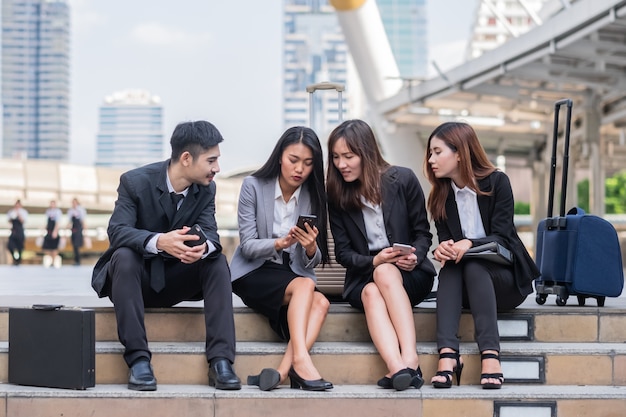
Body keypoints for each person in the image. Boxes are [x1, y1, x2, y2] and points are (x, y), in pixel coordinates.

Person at [91, 120, 241, 392]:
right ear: (186, 158)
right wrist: (159, 241)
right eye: (211, 160)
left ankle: (221, 362)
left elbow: (212, 236)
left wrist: (201, 249)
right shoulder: (134, 182)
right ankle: (138, 361)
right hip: (136, 281)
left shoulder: (207, 189)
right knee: (124, 255)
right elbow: (117, 231)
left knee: (216, 259)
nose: (217, 169)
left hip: (178, 277)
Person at [424, 121, 540, 389]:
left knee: (474, 265)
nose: (431, 160)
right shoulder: (440, 196)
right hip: (465, 287)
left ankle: (490, 355)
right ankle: (448, 355)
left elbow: (503, 236)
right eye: (430, 153)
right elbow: (447, 243)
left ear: (460, 153)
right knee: (452, 267)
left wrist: (470, 243)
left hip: (505, 282)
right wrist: (442, 249)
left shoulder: (497, 182)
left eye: (437, 152)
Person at [326, 119, 436, 391]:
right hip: (363, 277)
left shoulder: (404, 179)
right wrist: (375, 260)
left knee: (385, 273)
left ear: (367, 152)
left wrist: (415, 257)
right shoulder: (337, 194)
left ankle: (408, 359)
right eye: (336, 157)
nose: (341, 164)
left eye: (349, 156)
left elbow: (423, 234)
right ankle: (399, 367)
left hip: (410, 277)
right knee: (372, 289)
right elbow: (343, 254)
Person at [230, 126, 333, 391]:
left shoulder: (313, 194)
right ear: (279, 156)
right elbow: (249, 246)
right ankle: (301, 361)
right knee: (306, 286)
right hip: (255, 270)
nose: (300, 169)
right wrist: (279, 243)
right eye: (293, 160)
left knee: (321, 303)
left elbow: (315, 258)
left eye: (308, 163)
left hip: (292, 273)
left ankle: (282, 371)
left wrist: (310, 248)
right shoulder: (252, 186)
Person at [42, 200, 63, 268]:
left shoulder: (57, 212)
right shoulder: (48, 211)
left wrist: (55, 231)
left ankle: (53, 261)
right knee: (47, 247)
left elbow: (57, 223)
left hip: (54, 231)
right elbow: (46, 222)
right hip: (49, 231)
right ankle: (51, 259)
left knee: (54, 247)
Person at [7, 200, 28, 266]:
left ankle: (18, 261)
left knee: (20, 247)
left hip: (20, 231)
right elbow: (9, 221)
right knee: (10, 246)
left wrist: (18, 214)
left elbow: (23, 221)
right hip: (13, 231)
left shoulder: (24, 212)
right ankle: (14, 258)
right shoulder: (11, 212)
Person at [67, 198, 87, 266]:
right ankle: (76, 260)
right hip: (73, 229)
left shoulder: (81, 210)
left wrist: (85, 231)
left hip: (79, 229)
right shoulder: (70, 211)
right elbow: (70, 221)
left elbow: (83, 221)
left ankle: (78, 260)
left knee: (77, 244)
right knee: (74, 245)